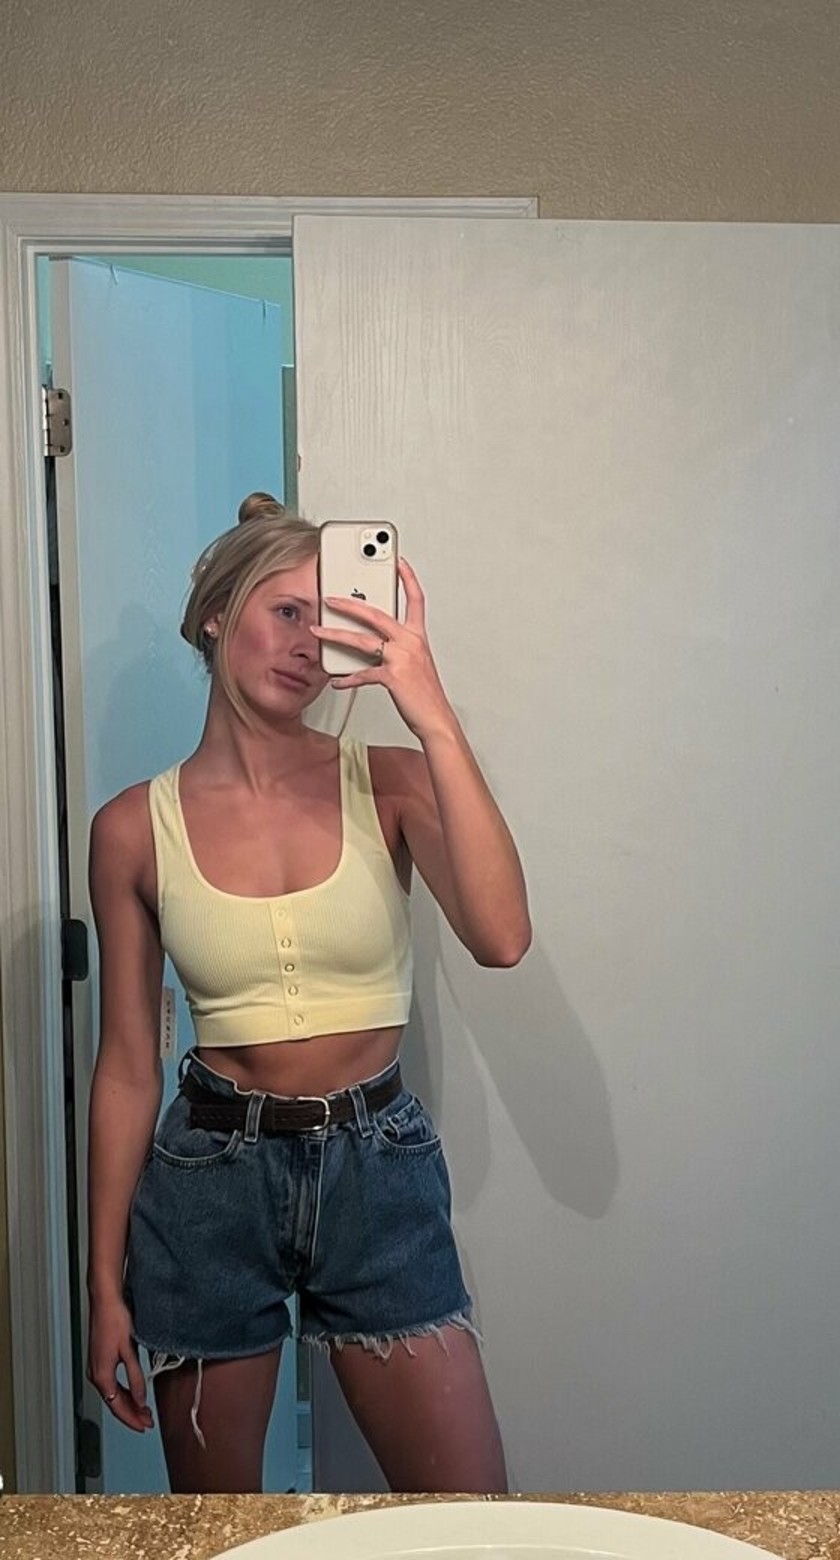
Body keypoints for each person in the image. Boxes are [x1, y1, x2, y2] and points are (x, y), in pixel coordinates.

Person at [84, 493, 531, 1494]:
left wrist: (431, 710)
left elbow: (502, 937)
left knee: (470, 1521)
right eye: (287, 612)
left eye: (327, 625)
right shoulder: (131, 830)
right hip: (209, 1179)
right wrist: (103, 1282)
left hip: (379, 1169)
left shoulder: (393, 779)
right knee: (220, 1537)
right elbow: (125, 1067)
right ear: (215, 614)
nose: (307, 647)